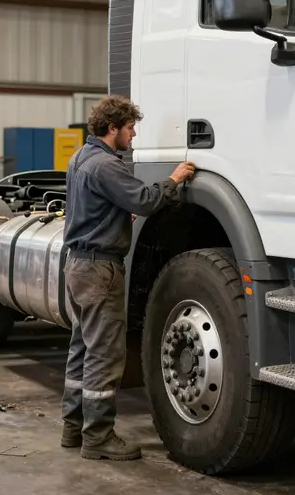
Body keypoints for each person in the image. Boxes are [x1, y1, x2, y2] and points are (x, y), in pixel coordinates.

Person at [60, 95, 196, 461]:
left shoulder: (80, 158)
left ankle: (73, 429)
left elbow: (94, 207)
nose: (134, 134)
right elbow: (146, 201)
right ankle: (99, 437)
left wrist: (117, 219)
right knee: (104, 353)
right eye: (130, 128)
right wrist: (174, 179)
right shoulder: (106, 165)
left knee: (82, 349)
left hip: (78, 264)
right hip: (100, 269)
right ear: (112, 128)